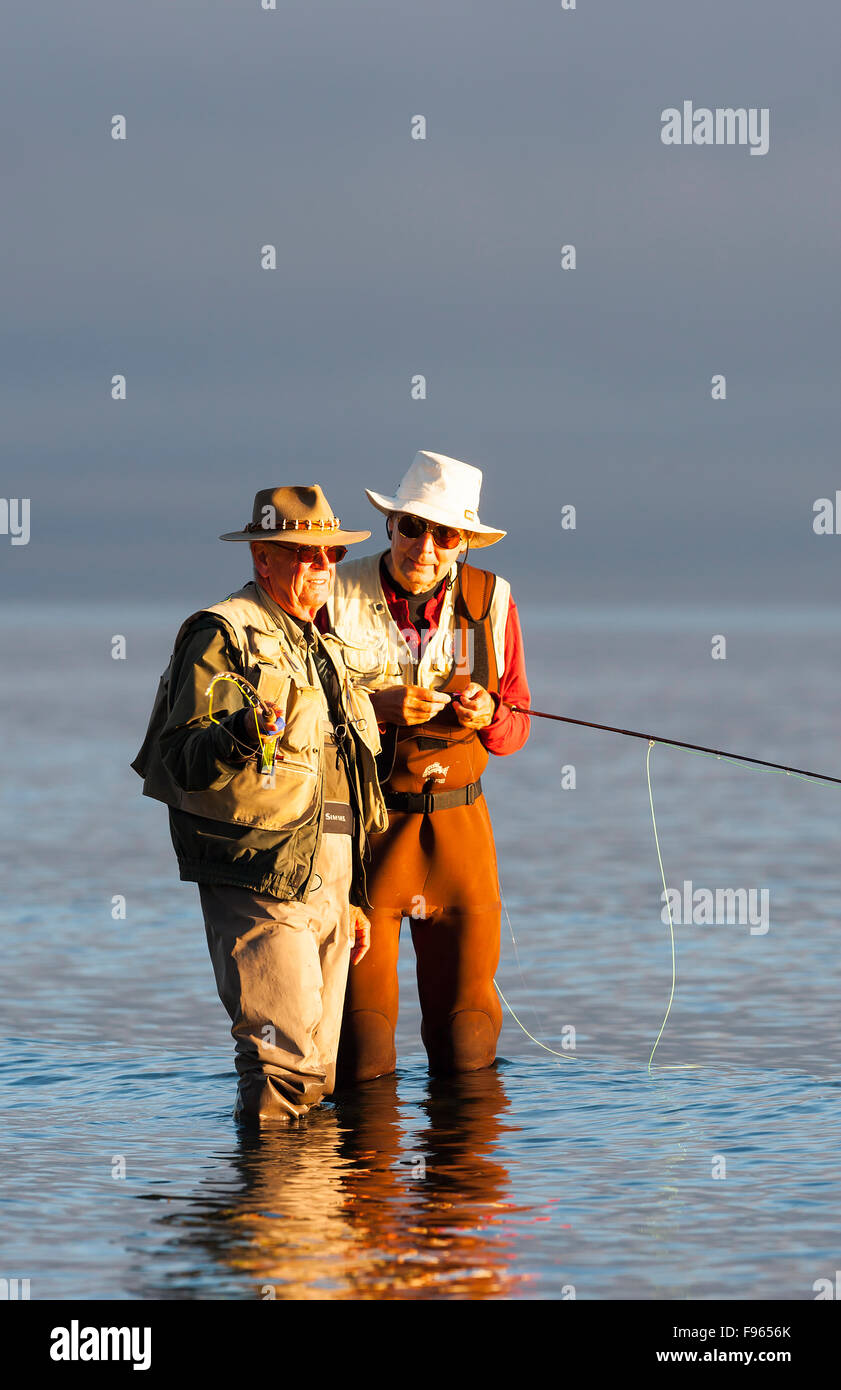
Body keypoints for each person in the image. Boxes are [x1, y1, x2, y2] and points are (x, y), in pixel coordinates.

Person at [131, 485, 388, 1123]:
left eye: (330, 552)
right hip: (259, 877)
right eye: (303, 553)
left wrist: (353, 895)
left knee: (319, 1070)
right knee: (282, 1064)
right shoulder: (220, 634)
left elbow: (339, 782)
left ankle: (310, 1220)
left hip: (327, 886)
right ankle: (271, 1218)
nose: (322, 566)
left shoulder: (323, 648)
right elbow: (180, 757)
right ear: (261, 559)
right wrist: (239, 732)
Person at [323, 451, 531, 1080]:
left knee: (467, 1039)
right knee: (361, 1045)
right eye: (412, 527)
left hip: (461, 836)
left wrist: (488, 712)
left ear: (463, 541)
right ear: (390, 525)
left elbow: (517, 726)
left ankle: (464, 1176)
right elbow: (306, 715)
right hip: (366, 830)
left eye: (444, 534)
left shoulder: (493, 600)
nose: (425, 546)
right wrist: (373, 706)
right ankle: (358, 1175)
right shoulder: (333, 590)